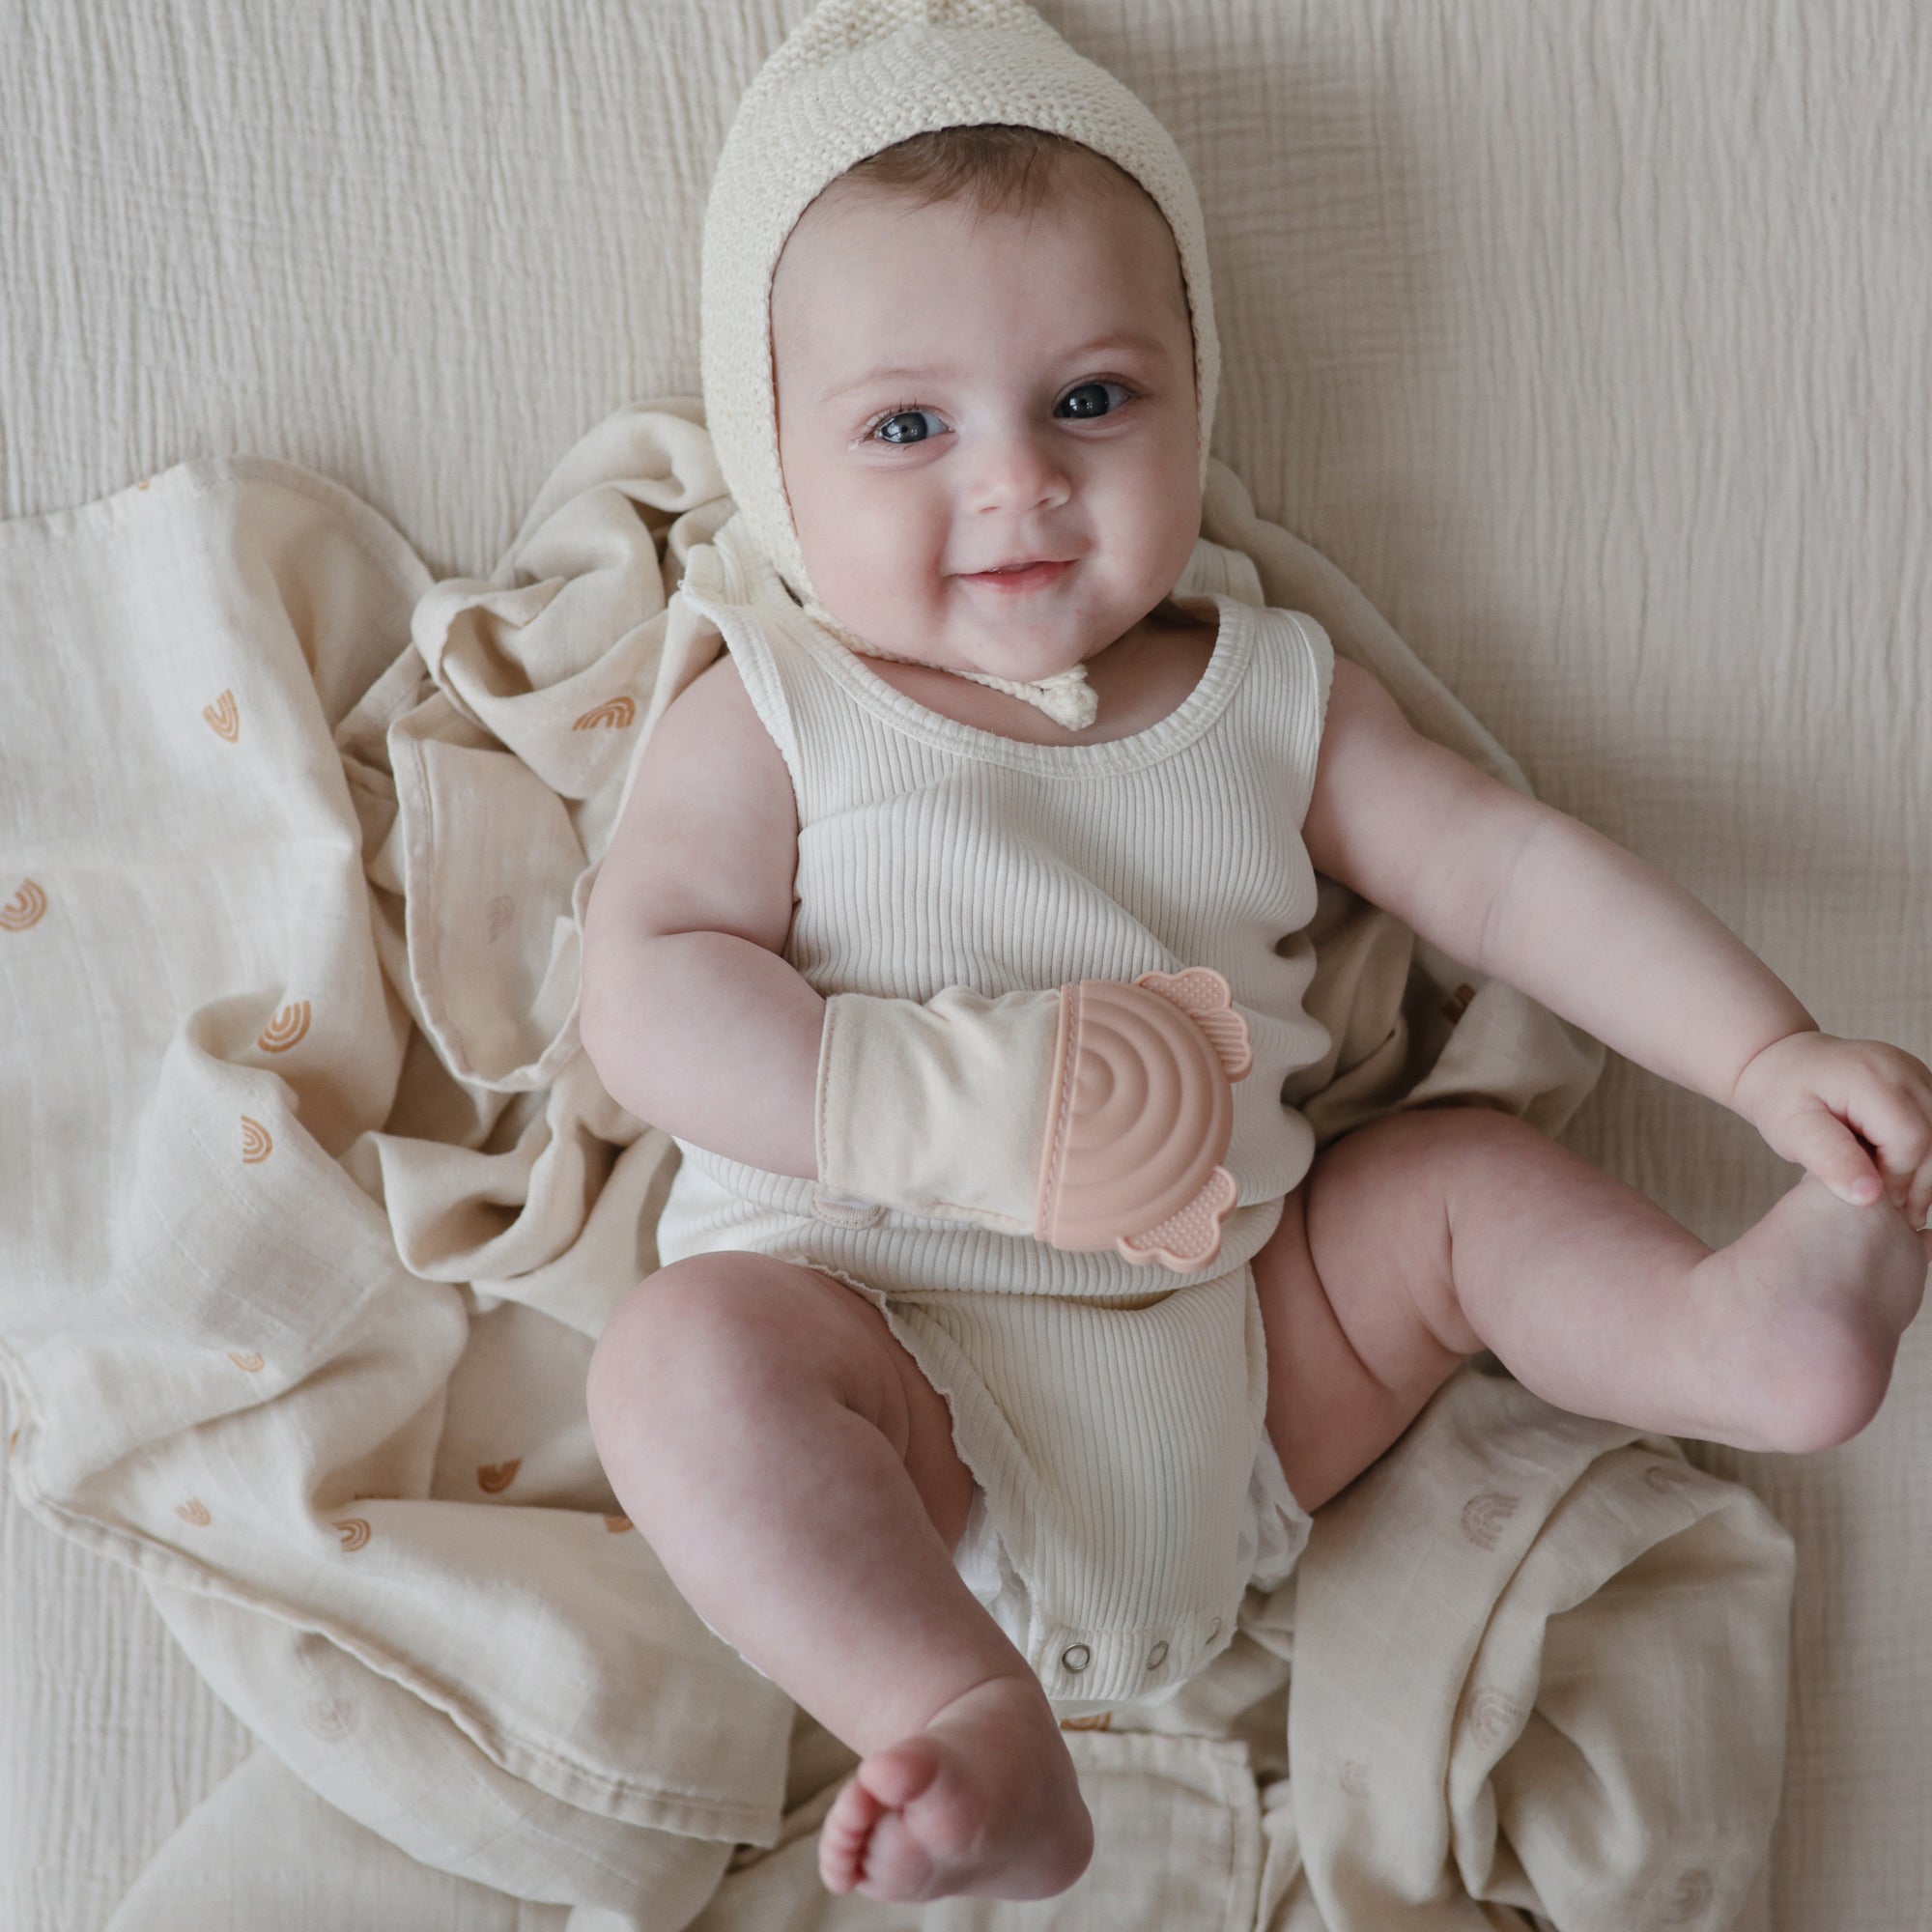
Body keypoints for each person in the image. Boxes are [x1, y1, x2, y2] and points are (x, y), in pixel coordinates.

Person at [580, 0, 1932, 1905]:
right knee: (677, 1365)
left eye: (1091, 399)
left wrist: (1761, 1056)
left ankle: (1731, 1334)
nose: (1017, 482)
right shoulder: (779, 706)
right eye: (907, 425)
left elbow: (1515, 879)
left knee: (1447, 1192)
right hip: (892, 1372)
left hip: (1245, 1380)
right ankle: (960, 1706)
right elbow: (645, 986)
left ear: (1196, 392)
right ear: (771, 449)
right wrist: (941, 1103)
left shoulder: (1264, 690)